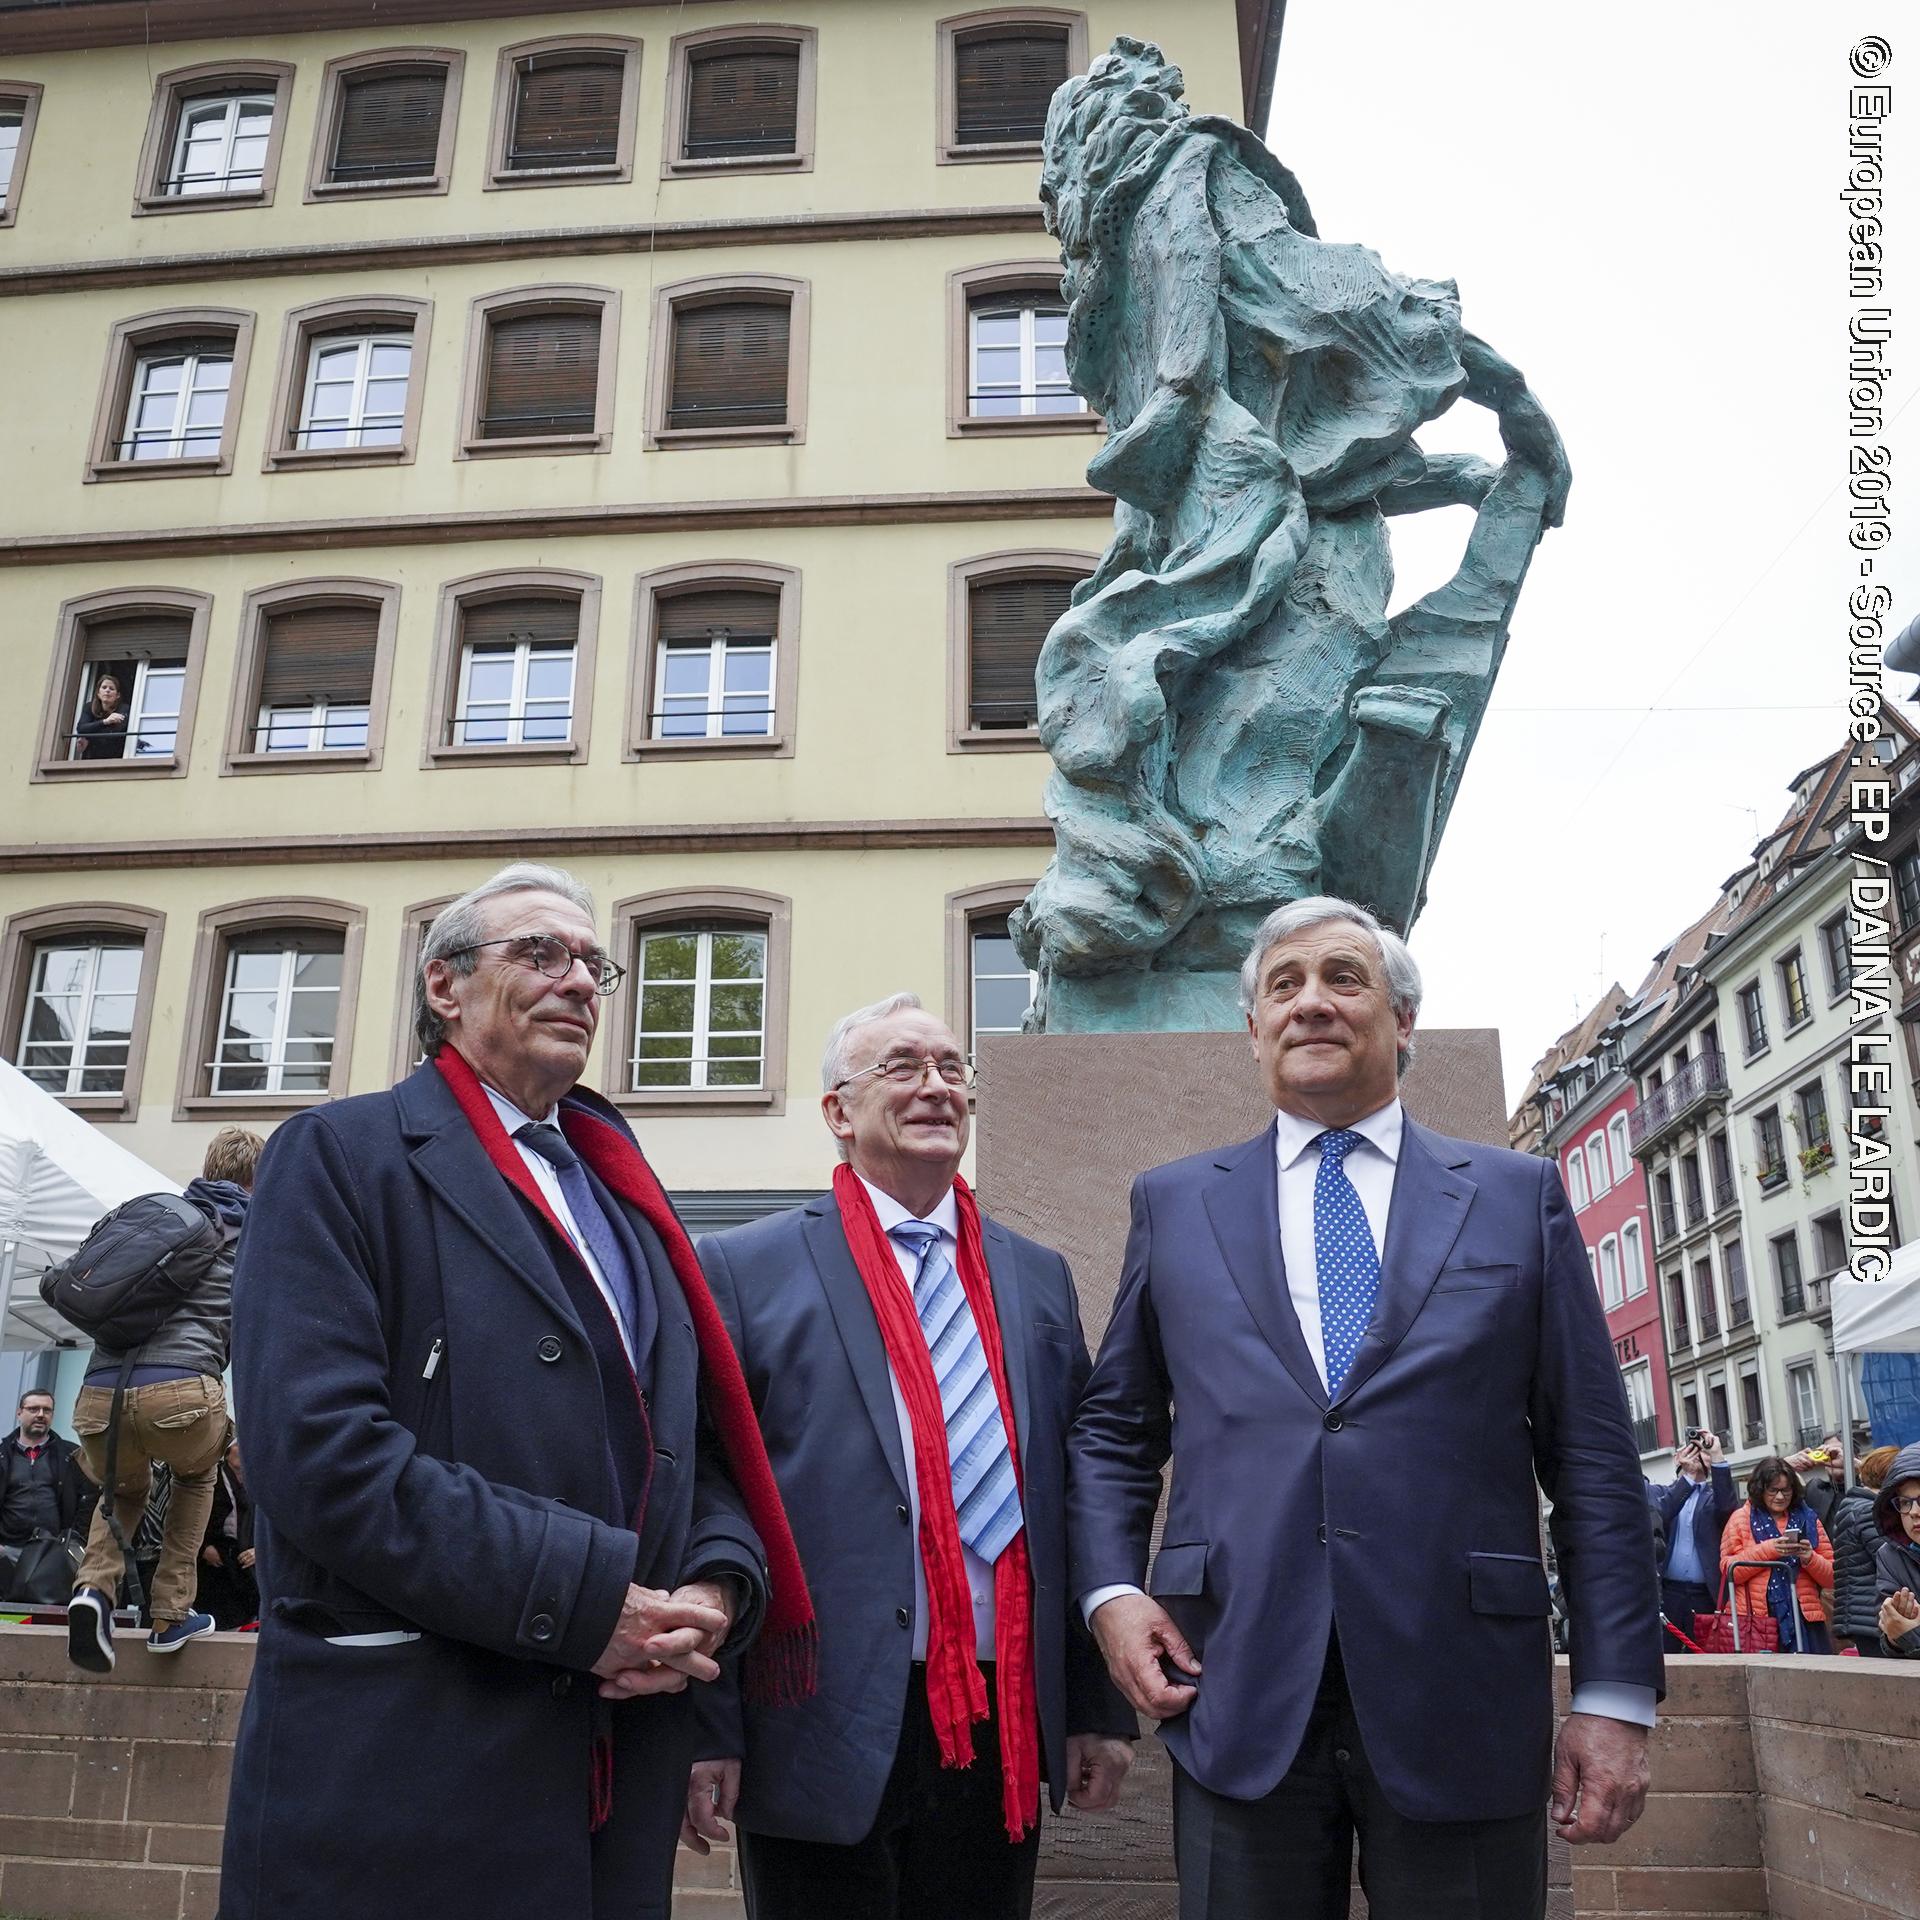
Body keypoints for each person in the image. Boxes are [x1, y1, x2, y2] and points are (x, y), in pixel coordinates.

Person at [218, 862, 809, 1920]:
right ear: (445, 987)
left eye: (593, 962)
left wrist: (714, 1593)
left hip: (610, 1766)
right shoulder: (340, 1156)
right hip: (408, 1764)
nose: (579, 979)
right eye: (540, 952)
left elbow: (688, 1449)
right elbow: (319, 1457)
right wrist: (594, 1606)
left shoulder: (624, 1197)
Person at [1068, 896, 1660, 1920]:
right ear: (1253, 1028)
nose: (1312, 1003)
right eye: (1283, 986)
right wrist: (1112, 1595)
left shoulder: (1517, 1198)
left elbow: (1594, 1460)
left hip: (1463, 1690)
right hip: (1237, 1682)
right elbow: (1116, 1433)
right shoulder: (1173, 1203)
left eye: (1345, 979)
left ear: (1403, 1019)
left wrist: (1614, 1697)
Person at [682, 993, 1135, 1920]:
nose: (936, 1087)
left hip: (1002, 1708)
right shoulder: (744, 1267)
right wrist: (704, 1722)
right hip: (820, 1717)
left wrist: (1094, 1703)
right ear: (838, 1112)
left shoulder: (1034, 1275)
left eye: (952, 1069)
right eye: (902, 1068)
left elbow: (1070, 1493)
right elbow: (705, 1494)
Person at [66, 1126, 261, 1669]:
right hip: (183, 1393)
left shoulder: (158, 1220)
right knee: (196, 1474)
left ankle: (92, 1591)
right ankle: (171, 1616)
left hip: (99, 1395)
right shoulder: (254, 1232)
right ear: (253, 1178)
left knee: (123, 1486)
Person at [1719, 1457, 1835, 1654]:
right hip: (1755, 1620)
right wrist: (1770, 1550)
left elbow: (1832, 1578)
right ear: (1760, 1490)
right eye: (1773, 1490)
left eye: (1786, 1490)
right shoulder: (1740, 1518)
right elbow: (1729, 1571)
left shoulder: (1808, 1518)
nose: (1780, 1497)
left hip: (1805, 1619)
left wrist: (1809, 1558)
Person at [1651, 1431, 1737, 1653]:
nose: (1698, 1456)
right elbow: (1662, 1512)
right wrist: (1687, 1478)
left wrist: (1717, 1456)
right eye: (1692, 1450)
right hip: (1669, 1592)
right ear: (1677, 1457)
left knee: (1703, 1653)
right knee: (1665, 1654)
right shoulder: (1663, 1492)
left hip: (1704, 1594)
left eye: (1703, 1453)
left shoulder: (1712, 1497)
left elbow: (1727, 1507)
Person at [1830, 1445, 1900, 1655]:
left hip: (1863, 1613)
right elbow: (1891, 1556)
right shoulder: (1868, 1511)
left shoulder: (1855, 1506)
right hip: (1872, 1614)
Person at [195, 1437, 256, 1631]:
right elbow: (194, 1516)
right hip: (215, 1562)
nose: (242, 1449)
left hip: (247, 1561)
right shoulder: (212, 1479)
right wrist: (203, 1548)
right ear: (227, 1452)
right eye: (237, 1445)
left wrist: (259, 1550)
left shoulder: (256, 1484)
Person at [1873, 1442, 1920, 1657]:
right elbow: (1891, 1644)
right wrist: (1894, 1637)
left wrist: (1911, 1634)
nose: (1914, 1512)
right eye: (1905, 1502)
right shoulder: (1889, 1555)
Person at [1786, 1435, 1845, 1530]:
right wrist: (1785, 1464)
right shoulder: (1813, 1490)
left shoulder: (1869, 1489)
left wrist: (1856, 1465)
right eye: (1827, 1454)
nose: (1833, 1457)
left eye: (1839, 1452)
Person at [73, 672, 130, 760]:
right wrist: (105, 722)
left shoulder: (124, 709)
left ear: (117, 695)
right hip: (92, 757)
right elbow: (81, 728)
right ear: (98, 693)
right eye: (104, 687)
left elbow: (115, 733)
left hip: (116, 757)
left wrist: (90, 735)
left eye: (111, 688)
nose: (107, 690)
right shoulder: (89, 707)